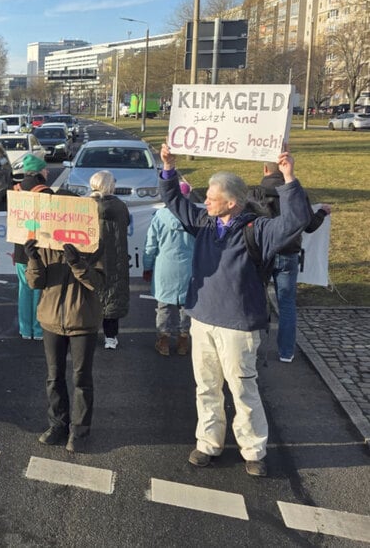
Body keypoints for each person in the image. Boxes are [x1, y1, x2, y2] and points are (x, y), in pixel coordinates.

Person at [159, 143, 312, 477]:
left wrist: (288, 177)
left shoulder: (257, 230)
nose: (205, 201)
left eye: (212, 197)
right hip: (202, 318)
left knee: (243, 389)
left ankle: (254, 450)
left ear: (231, 203)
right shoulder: (204, 222)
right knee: (206, 387)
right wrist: (168, 167)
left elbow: (297, 220)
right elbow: (174, 201)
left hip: (239, 325)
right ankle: (207, 443)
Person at [24, 208, 105, 453]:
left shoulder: (94, 242)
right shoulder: (46, 242)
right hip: (51, 320)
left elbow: (98, 283)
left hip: (82, 321)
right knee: (54, 376)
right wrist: (33, 259)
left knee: (81, 379)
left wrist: (77, 262)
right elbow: (35, 283)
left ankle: (79, 431)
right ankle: (58, 424)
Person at [253, 162, 331, 363]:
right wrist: (321, 212)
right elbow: (309, 226)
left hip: (262, 254)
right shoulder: (298, 193)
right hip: (289, 253)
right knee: (287, 304)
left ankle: (251, 347)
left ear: (265, 169)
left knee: (254, 300)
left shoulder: (254, 193)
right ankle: (286, 352)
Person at [143, 181, 196, 356]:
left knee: (163, 306)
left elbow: (151, 245)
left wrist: (147, 266)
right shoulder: (194, 216)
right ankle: (183, 340)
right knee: (186, 306)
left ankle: (163, 340)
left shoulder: (160, 217)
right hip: (189, 267)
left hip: (164, 267)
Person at [12, 154, 51, 340]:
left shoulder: (15, 190)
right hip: (40, 249)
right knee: (38, 289)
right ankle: (38, 329)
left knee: (24, 289)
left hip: (20, 248)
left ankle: (25, 329)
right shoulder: (45, 192)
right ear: (39, 172)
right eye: (45, 169)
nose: (47, 172)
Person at [89, 171, 130, 350]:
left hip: (93, 258)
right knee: (113, 294)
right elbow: (126, 222)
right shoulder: (120, 206)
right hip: (115, 257)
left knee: (91, 296)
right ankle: (111, 337)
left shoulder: (86, 206)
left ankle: (88, 334)